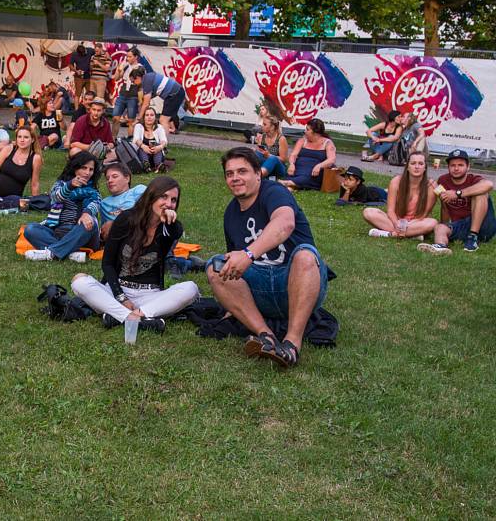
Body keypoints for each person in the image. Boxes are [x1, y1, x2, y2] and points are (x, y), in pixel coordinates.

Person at [207, 147, 331, 368]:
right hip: (260, 291)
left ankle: (292, 344)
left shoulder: (273, 192)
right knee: (216, 266)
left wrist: (248, 253)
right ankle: (266, 335)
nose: (235, 178)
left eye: (242, 171)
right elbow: (235, 267)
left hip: (294, 284)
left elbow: (285, 223)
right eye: (229, 173)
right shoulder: (231, 213)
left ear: (258, 174)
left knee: (304, 255)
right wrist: (230, 307)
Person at [71, 175, 199, 332]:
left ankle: (125, 317)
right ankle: (138, 320)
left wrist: (170, 222)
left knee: (191, 288)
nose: (168, 204)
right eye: (164, 197)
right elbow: (108, 264)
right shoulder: (125, 219)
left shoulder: (171, 228)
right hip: (118, 291)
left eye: (173, 200)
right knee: (79, 281)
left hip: (149, 295)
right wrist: (121, 297)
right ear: (151, 196)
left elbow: (174, 233)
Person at [24, 152, 102, 263]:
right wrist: (70, 186)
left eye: (91, 169)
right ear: (75, 167)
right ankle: (70, 253)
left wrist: (87, 213)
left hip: (81, 234)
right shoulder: (60, 185)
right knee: (30, 229)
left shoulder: (93, 191)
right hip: (59, 232)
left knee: (90, 223)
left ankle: (52, 253)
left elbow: (95, 204)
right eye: (84, 168)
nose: (87, 173)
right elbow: (56, 197)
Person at [419, 149, 496, 254]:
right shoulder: (443, 180)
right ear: (448, 167)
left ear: (468, 167)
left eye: (460, 165)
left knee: (481, 193)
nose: (456, 168)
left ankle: (473, 237)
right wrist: (444, 227)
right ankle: (440, 247)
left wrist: (457, 193)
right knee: (440, 227)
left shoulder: (473, 179)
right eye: (453, 165)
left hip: (484, 225)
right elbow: (444, 205)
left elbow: (489, 185)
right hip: (462, 226)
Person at [364, 151, 437, 239]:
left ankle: (388, 234)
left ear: (425, 167)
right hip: (396, 221)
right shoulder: (396, 181)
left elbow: (423, 215)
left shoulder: (431, 185)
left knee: (433, 223)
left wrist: (407, 226)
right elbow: (390, 211)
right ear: (407, 167)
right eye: (413, 163)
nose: (417, 167)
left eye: (420, 164)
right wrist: (397, 224)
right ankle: (413, 235)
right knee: (368, 212)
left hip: (416, 223)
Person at [280, 118, 336, 191]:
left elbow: (331, 159)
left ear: (315, 133)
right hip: (298, 169)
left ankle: (287, 183)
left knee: (307, 177)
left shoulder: (327, 143)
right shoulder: (302, 140)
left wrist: (319, 166)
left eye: (307, 129)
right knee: (293, 175)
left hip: (314, 172)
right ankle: (292, 186)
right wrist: (291, 164)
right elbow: (293, 155)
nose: (305, 131)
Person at [130, 67, 186, 136]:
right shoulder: (148, 77)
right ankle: (165, 139)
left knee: (163, 120)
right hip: (174, 93)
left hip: (174, 94)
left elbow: (146, 104)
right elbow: (153, 94)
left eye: (133, 81)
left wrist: (138, 118)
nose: (134, 84)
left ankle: (163, 144)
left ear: (138, 77)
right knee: (166, 119)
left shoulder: (146, 81)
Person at [111, 46, 142, 138]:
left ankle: (130, 140)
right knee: (115, 118)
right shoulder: (125, 66)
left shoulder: (140, 68)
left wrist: (140, 100)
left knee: (130, 120)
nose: (127, 59)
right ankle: (113, 139)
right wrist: (119, 69)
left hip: (133, 96)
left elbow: (141, 85)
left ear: (136, 57)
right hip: (122, 94)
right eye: (127, 56)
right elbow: (116, 78)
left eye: (130, 56)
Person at [132, 107, 167, 171]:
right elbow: (136, 139)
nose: (149, 117)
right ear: (144, 117)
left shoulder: (159, 127)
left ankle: (159, 166)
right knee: (141, 149)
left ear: (155, 117)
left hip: (155, 152)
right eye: (147, 115)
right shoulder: (138, 126)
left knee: (158, 148)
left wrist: (160, 147)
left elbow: (164, 140)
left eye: (152, 115)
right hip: (143, 153)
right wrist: (143, 146)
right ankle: (146, 165)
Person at [68, 43, 93, 109]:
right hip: (78, 78)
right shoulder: (74, 54)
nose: (83, 55)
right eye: (81, 54)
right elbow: (70, 65)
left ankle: (89, 109)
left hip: (88, 77)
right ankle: (76, 110)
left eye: (84, 53)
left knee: (90, 94)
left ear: (85, 49)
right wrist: (76, 71)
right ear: (78, 53)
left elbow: (99, 52)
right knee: (78, 94)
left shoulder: (90, 50)